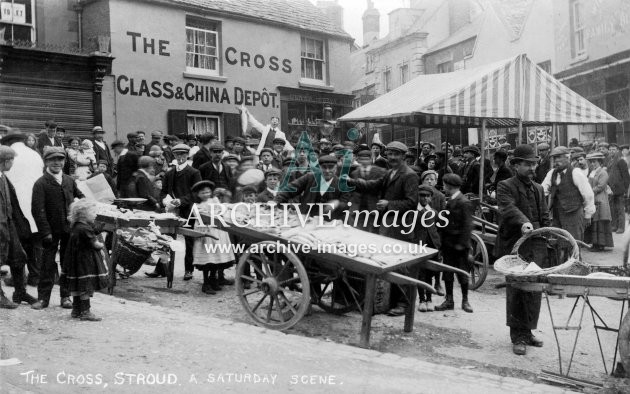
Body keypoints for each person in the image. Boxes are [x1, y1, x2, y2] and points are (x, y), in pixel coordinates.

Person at [344, 141, 419, 316]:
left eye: (396, 155)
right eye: (390, 154)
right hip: (387, 225)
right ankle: (392, 301)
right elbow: (374, 185)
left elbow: (412, 202)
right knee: (389, 262)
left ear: (404, 156)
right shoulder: (390, 172)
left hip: (400, 227)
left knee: (401, 265)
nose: (392, 157)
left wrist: (389, 204)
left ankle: (404, 304)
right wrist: (351, 181)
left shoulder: (409, 175)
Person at [495, 144, 550, 355]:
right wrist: (524, 223)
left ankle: (528, 332)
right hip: (515, 245)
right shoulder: (505, 185)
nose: (531, 168)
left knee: (534, 290)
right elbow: (509, 208)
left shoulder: (538, 188)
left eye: (534, 164)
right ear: (516, 165)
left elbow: (544, 215)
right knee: (517, 289)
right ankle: (516, 336)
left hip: (536, 245)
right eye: (527, 164)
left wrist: (549, 234)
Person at [32, 146, 85, 309]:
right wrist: (45, 232)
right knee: (47, 264)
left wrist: (80, 206)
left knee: (67, 262)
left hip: (68, 229)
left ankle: (66, 296)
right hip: (50, 231)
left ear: (64, 161)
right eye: (52, 159)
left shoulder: (69, 180)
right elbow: (37, 210)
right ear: (46, 161)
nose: (57, 163)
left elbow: (81, 196)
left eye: (60, 159)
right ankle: (43, 298)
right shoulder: (41, 183)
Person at [2, 128, 45, 287]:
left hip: (16, 206)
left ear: (8, 141)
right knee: (36, 241)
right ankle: (35, 276)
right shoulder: (35, 154)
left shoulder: (8, 155)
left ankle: (18, 278)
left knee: (18, 242)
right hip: (36, 203)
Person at [0, 146, 40, 309]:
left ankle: (20, 292)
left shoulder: (4, 177)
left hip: (9, 224)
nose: (13, 163)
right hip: (0, 226)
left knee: (18, 257)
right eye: (12, 160)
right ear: (5, 161)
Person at [159, 144, 202, 281]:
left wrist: (181, 201)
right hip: (171, 210)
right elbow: (163, 191)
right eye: (177, 155)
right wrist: (165, 201)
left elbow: (196, 193)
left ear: (187, 155)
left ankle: (188, 269)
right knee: (166, 239)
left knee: (188, 241)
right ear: (174, 156)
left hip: (188, 210)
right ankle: (161, 269)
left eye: (183, 154)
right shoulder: (169, 173)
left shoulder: (194, 172)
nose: (180, 157)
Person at [60, 200, 109, 321]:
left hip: (75, 262)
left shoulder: (76, 226)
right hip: (85, 262)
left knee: (77, 285)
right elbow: (95, 244)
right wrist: (101, 245)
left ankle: (76, 310)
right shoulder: (84, 228)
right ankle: (86, 312)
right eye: (93, 212)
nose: (95, 215)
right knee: (86, 285)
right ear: (83, 214)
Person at [435, 174, 473, 314]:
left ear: (449, 186)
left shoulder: (463, 202)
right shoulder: (451, 200)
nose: (443, 188)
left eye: (444, 185)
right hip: (448, 244)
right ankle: (449, 300)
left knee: (462, 273)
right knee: (448, 273)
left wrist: (462, 244)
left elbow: (467, 226)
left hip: (459, 246)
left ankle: (465, 300)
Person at [189, 181, 236, 294]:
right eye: (203, 192)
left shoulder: (214, 201)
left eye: (208, 192)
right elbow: (203, 217)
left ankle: (214, 279)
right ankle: (206, 283)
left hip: (217, 231)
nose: (206, 194)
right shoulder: (196, 206)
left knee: (217, 258)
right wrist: (214, 213)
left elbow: (221, 210)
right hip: (206, 233)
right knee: (208, 259)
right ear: (198, 194)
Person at [542, 146, 596, 241]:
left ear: (567, 158)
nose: (556, 161)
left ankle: (575, 256)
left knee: (574, 241)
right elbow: (542, 190)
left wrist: (588, 214)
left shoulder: (576, 173)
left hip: (574, 213)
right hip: (557, 214)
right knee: (558, 241)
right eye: (554, 158)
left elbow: (588, 194)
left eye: (559, 157)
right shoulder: (551, 173)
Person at [275, 155, 351, 218]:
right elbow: (290, 189)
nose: (327, 171)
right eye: (324, 167)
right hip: (306, 219)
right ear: (319, 168)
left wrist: (338, 204)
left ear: (336, 168)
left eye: (331, 167)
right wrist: (276, 201)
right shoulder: (310, 177)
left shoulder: (342, 184)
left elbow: (346, 204)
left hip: (328, 223)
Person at [412, 185, 441, 313]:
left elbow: (438, 229)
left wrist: (438, 245)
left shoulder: (434, 213)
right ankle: (422, 300)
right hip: (419, 246)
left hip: (432, 247)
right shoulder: (413, 213)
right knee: (421, 274)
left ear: (431, 198)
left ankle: (429, 299)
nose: (424, 198)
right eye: (422, 196)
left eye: (427, 196)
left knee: (430, 273)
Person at [347, 147, 386, 233]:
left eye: (366, 159)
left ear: (371, 159)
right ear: (359, 160)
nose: (364, 162)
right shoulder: (354, 173)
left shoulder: (380, 171)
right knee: (358, 231)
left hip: (373, 207)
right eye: (362, 159)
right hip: (358, 208)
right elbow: (352, 191)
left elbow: (378, 187)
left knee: (373, 233)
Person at [584, 152, 614, 251]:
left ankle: (600, 245)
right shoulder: (592, 172)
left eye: (595, 162)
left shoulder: (603, 172)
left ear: (600, 162)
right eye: (591, 162)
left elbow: (601, 186)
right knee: (594, 222)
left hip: (600, 199)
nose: (593, 164)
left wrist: (589, 191)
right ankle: (595, 243)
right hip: (593, 199)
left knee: (599, 222)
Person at [606, 144, 630, 234]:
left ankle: (621, 227)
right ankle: (614, 225)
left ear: (617, 151)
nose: (612, 151)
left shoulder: (621, 161)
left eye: (614, 149)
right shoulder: (609, 161)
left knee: (620, 208)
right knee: (613, 208)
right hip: (611, 189)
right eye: (610, 149)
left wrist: (625, 189)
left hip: (619, 189)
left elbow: (626, 177)